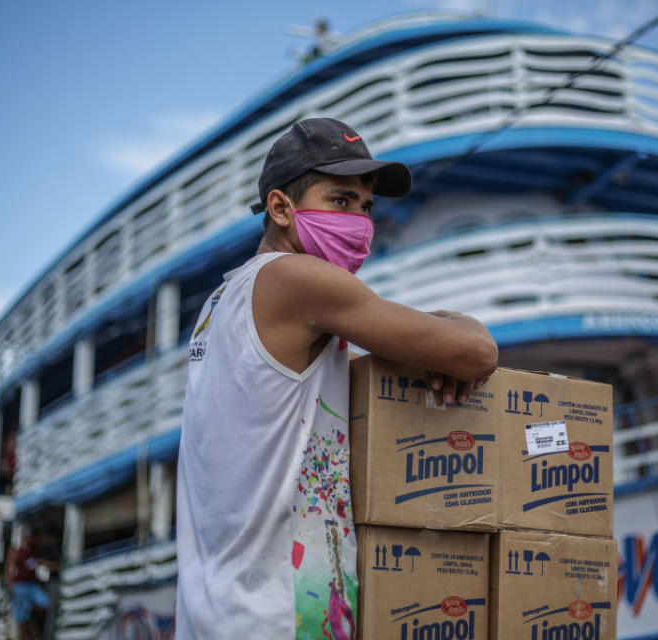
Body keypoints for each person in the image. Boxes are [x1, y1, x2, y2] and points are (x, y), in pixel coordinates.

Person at [175, 117, 498, 639]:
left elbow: (363, 374)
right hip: (278, 618)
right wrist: (457, 330)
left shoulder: (222, 300)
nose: (360, 222)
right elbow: (479, 352)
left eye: (367, 208)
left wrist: (434, 357)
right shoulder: (297, 278)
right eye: (341, 202)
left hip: (216, 617)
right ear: (281, 209)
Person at [6, 527, 60, 640]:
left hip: (32, 585)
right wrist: (9, 584)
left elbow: (43, 564)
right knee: (21, 618)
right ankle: (25, 636)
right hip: (20, 585)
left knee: (44, 603)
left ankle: (32, 625)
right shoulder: (17, 550)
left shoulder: (35, 551)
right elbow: (10, 567)